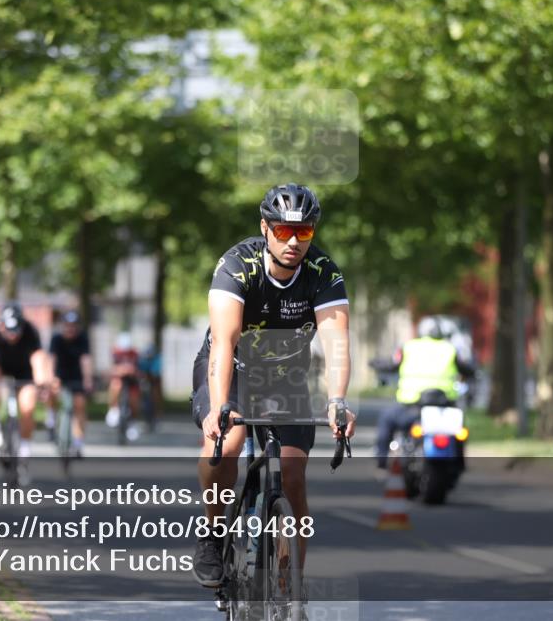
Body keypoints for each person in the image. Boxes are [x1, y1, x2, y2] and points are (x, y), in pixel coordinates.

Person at [190, 182, 357, 588]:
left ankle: (289, 589)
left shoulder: (322, 273)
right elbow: (224, 343)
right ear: (265, 228)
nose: (294, 241)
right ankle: (213, 532)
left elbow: (337, 344)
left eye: (305, 232)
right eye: (283, 231)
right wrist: (218, 407)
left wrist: (337, 401)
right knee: (227, 446)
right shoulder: (236, 266)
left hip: (286, 378)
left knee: (294, 477)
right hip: (232, 370)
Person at [375, 315, 476, 469]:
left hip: (412, 406)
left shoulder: (408, 347)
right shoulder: (449, 349)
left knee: (386, 419)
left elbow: (391, 365)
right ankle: (460, 463)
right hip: (444, 407)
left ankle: (381, 460)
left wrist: (375, 364)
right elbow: (467, 369)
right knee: (459, 429)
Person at [0, 302, 49, 459]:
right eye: (8, 331)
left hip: (25, 372)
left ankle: (25, 445)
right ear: (1, 325)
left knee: (27, 408)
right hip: (0, 368)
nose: (12, 336)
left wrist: (42, 384)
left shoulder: (31, 331)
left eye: (16, 331)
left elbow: (38, 359)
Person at [48, 309, 93, 456]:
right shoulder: (56, 339)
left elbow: (85, 360)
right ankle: (52, 417)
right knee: (52, 394)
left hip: (76, 377)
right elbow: (52, 359)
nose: (70, 328)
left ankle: (78, 443)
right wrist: (51, 378)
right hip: (60, 377)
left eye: (74, 325)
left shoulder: (83, 338)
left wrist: (87, 380)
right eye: (67, 325)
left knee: (79, 406)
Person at [106, 331, 139, 428]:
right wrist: (122, 370)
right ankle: (113, 409)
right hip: (119, 379)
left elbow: (136, 370)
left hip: (132, 381)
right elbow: (112, 369)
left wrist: (130, 370)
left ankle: (133, 421)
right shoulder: (115, 353)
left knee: (135, 400)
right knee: (115, 386)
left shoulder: (135, 354)